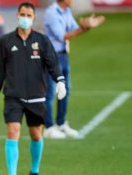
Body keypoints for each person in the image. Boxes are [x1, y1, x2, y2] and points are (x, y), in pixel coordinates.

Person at [0, 2, 66, 175]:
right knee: (13, 131)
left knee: (36, 134)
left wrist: (60, 80)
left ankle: (35, 171)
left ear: (34, 18)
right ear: (17, 15)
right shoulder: (6, 41)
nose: (25, 18)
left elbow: (52, 64)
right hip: (13, 97)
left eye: (28, 15)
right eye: (22, 14)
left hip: (37, 97)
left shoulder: (42, 41)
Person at [43, 0, 105, 139]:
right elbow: (63, 36)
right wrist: (83, 28)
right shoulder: (51, 12)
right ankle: (48, 127)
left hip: (63, 55)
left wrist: (85, 26)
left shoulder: (66, 11)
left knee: (66, 89)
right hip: (52, 56)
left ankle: (61, 123)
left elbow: (74, 28)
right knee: (51, 92)